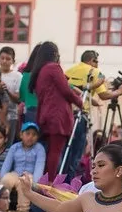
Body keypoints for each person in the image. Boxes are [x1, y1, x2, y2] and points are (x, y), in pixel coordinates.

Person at [31, 42, 85, 177]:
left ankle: (46, 180)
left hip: (46, 115)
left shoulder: (40, 71)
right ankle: (50, 183)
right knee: (56, 152)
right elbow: (66, 90)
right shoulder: (53, 68)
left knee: (50, 152)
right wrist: (80, 102)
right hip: (57, 116)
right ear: (54, 54)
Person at [0, 47, 22, 145]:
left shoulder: (18, 76)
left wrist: (6, 90)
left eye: (8, 59)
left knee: (8, 145)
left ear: (13, 61)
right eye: (2, 58)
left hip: (11, 116)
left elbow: (18, 99)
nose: (4, 61)